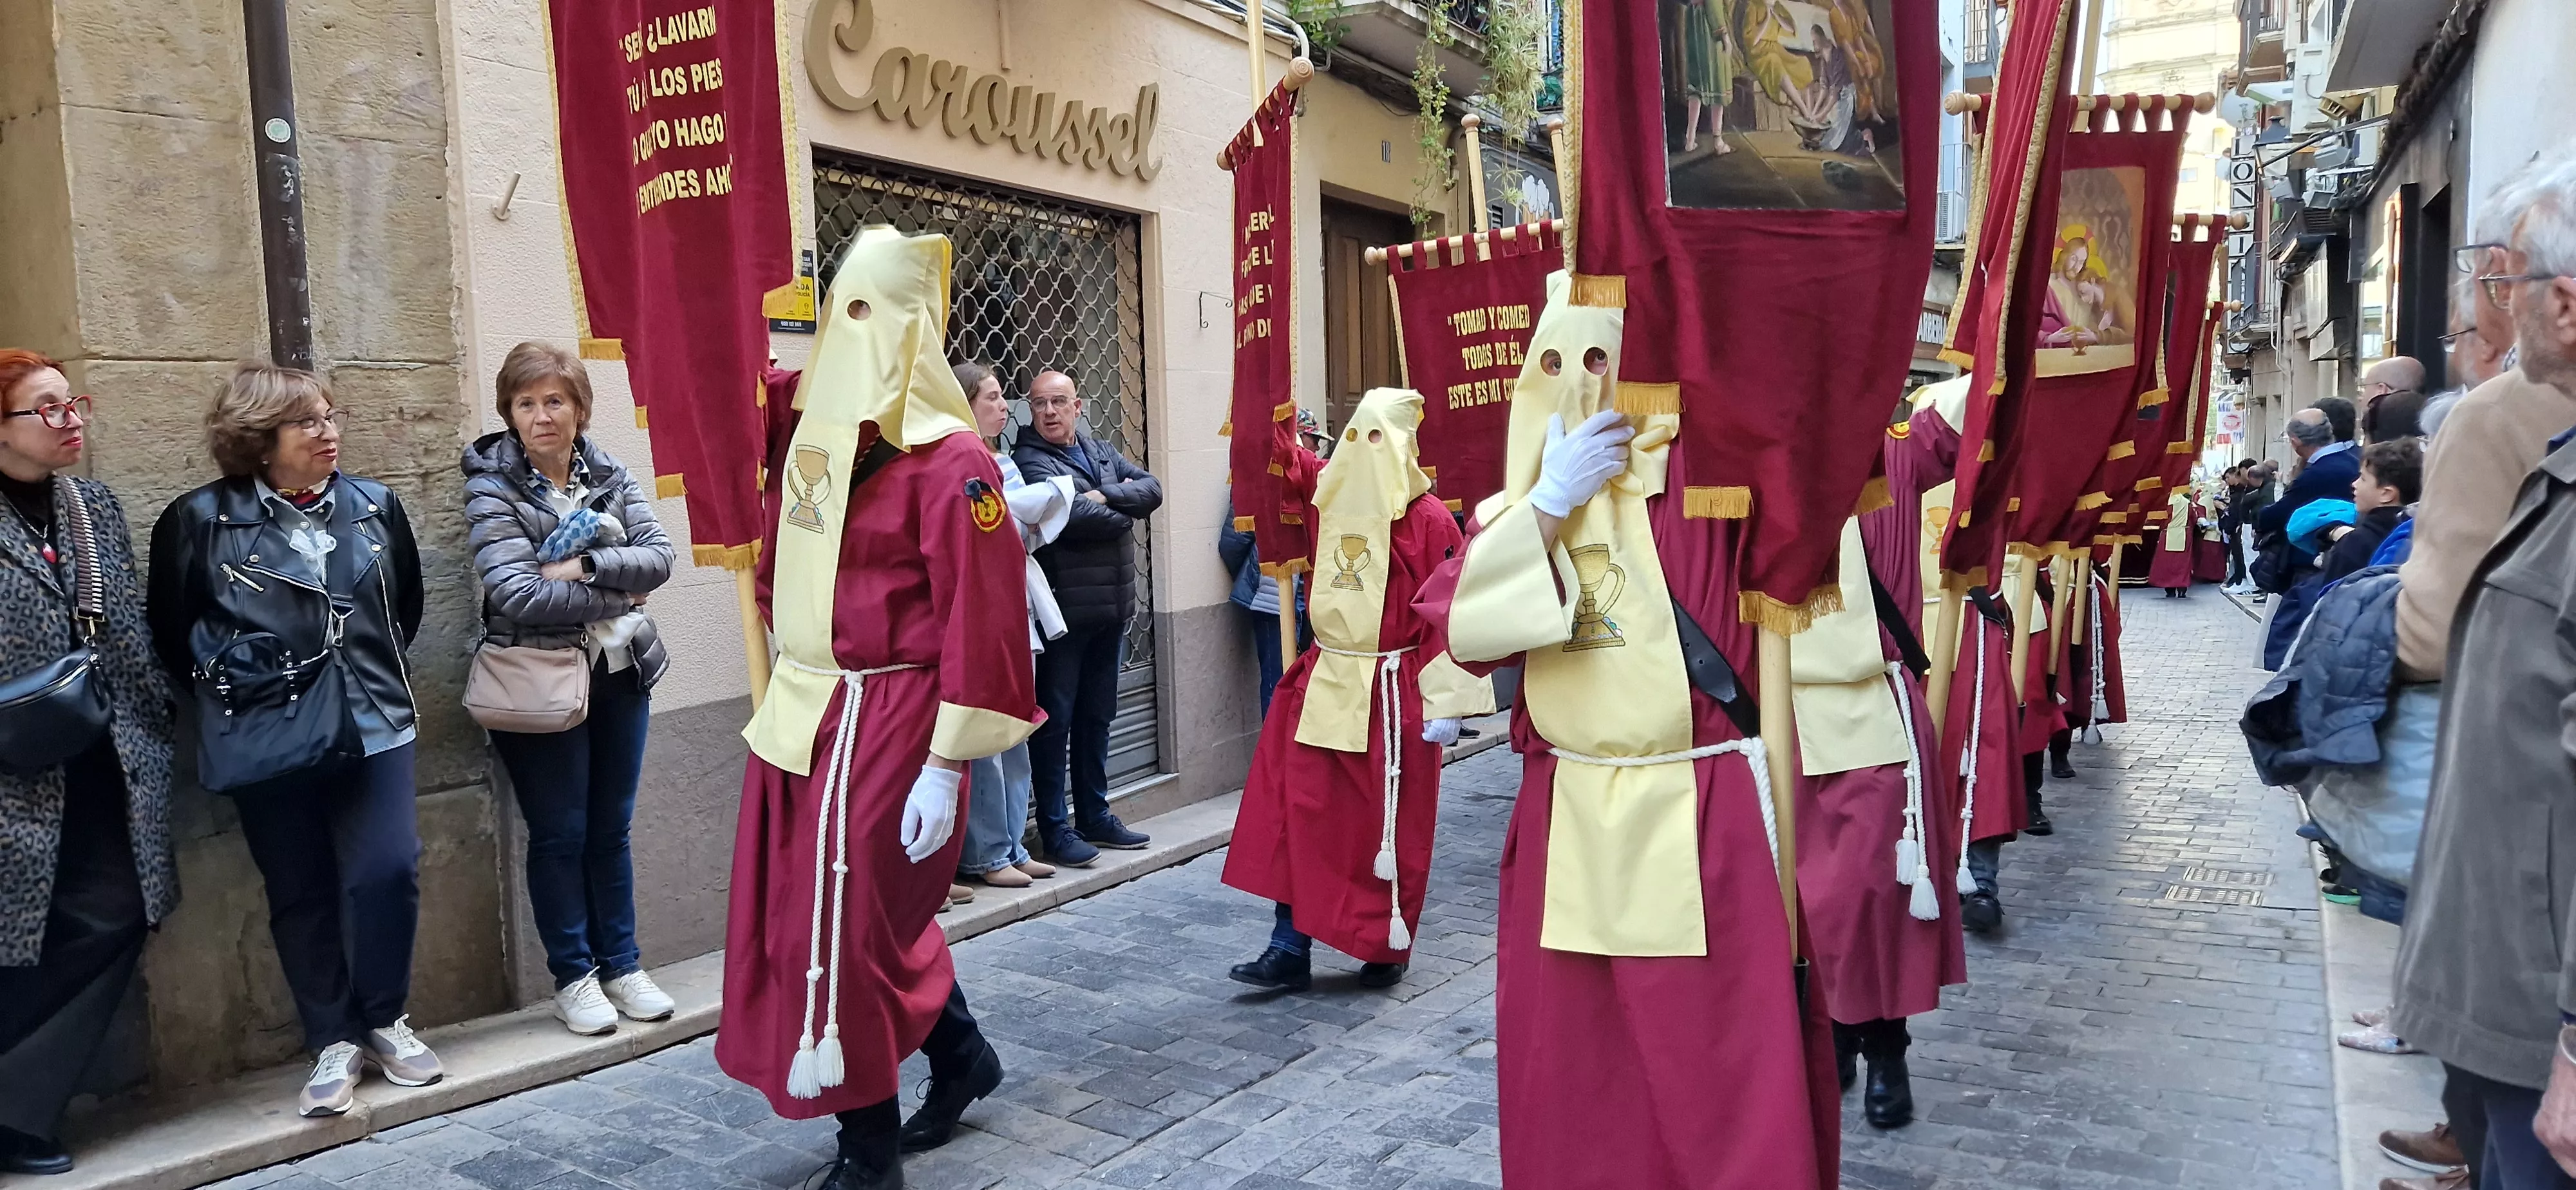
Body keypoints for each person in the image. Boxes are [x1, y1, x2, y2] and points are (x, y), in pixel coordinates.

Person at [1411, 274, 1839, 1187]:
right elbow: (1464, 629)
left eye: (1604, 357)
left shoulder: (1718, 482)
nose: (1581, 381)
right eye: (1557, 360)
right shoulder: (1522, 506)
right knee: (1577, 1071)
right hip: (1567, 820)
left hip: (1706, 810)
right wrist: (1546, 507)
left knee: (1718, 1072)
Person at [719, 227, 1038, 1189]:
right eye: (836, 314)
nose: (845, 336)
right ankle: (962, 1055)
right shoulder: (814, 436)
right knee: (818, 915)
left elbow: (984, 618)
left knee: (850, 924)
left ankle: (869, 1150)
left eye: (866, 314)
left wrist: (948, 762)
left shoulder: (955, 462)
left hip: (897, 716)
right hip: (806, 711)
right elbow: (726, 393)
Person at [146, 364, 437, 1118]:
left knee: (389, 869)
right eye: (305, 421)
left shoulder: (375, 505)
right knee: (298, 888)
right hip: (266, 729)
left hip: (374, 719)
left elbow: (403, 609)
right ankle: (332, 1039)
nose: (327, 432)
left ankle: (384, 1017)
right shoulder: (199, 521)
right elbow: (174, 634)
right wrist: (249, 694)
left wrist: (357, 675)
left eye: (330, 416)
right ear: (257, 438)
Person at [2396, 155, 2576, 1190]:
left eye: (2504, 280)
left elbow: (2435, 631)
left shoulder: (2499, 420)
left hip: (2537, 970)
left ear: (2559, 301)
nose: (2491, 306)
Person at [1222, 388, 1487, 994]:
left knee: (1385, 824)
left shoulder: (1428, 519)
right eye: (1354, 436)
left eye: (1377, 439)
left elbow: (1453, 609)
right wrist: (1268, 393)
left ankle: (1383, 942)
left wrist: (1449, 697)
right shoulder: (1328, 495)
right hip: (1325, 680)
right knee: (1298, 811)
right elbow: (1278, 459)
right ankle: (1288, 945)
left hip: (1394, 691)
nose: (1362, 452)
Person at [463, 343, 677, 1035]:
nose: (541, 416)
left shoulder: (609, 472)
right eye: (526, 403)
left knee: (610, 831)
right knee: (560, 834)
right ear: (510, 413)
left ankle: (623, 965)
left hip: (619, 674)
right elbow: (517, 594)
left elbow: (660, 559)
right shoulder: (492, 485)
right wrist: (618, 594)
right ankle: (574, 977)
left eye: (555, 400)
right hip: (539, 682)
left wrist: (584, 566)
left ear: (580, 408)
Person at [0, 352, 178, 1175]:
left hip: (105, 755)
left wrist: (156, 719)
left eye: (74, 403)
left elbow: (128, 625)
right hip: (11, 768)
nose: (71, 420)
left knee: (119, 909)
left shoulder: (90, 506)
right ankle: (19, 1122)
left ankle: (14, 1110)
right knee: (15, 937)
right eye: (47, 409)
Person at [1801, 516, 1966, 1130]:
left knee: (1872, 894)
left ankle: (1886, 1047)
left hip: (1871, 706)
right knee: (1803, 901)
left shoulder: (1892, 469)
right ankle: (1835, 1029)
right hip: (1773, 712)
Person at [1012, 370, 1162, 865]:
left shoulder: (1099, 450)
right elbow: (1073, 517)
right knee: (1055, 723)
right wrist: (1120, 505)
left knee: (1098, 716)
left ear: (1078, 407)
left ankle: (1095, 815)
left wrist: (1106, 496)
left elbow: (1153, 489)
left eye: (1059, 402)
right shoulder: (1030, 459)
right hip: (1064, 615)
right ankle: (1055, 828)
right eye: (1039, 403)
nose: (1049, 412)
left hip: (1112, 610)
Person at [954, 361, 1065, 890]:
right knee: (986, 738)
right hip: (980, 615)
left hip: (1017, 610)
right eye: (992, 397)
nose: (1005, 407)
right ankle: (986, 852)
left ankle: (1015, 843)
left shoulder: (1006, 462)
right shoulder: (954, 463)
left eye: (1002, 397)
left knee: (1017, 731)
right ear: (965, 404)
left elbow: (1027, 534)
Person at [2318, 439, 2421, 587]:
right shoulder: (2419, 535)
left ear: (2386, 494)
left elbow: (2332, 597)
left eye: (2363, 478)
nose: (2354, 484)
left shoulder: (2354, 546)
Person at [2362, 357, 2428, 443]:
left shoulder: (2377, 437)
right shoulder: (2435, 432)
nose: (2360, 397)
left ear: (2381, 389)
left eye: (2364, 388)